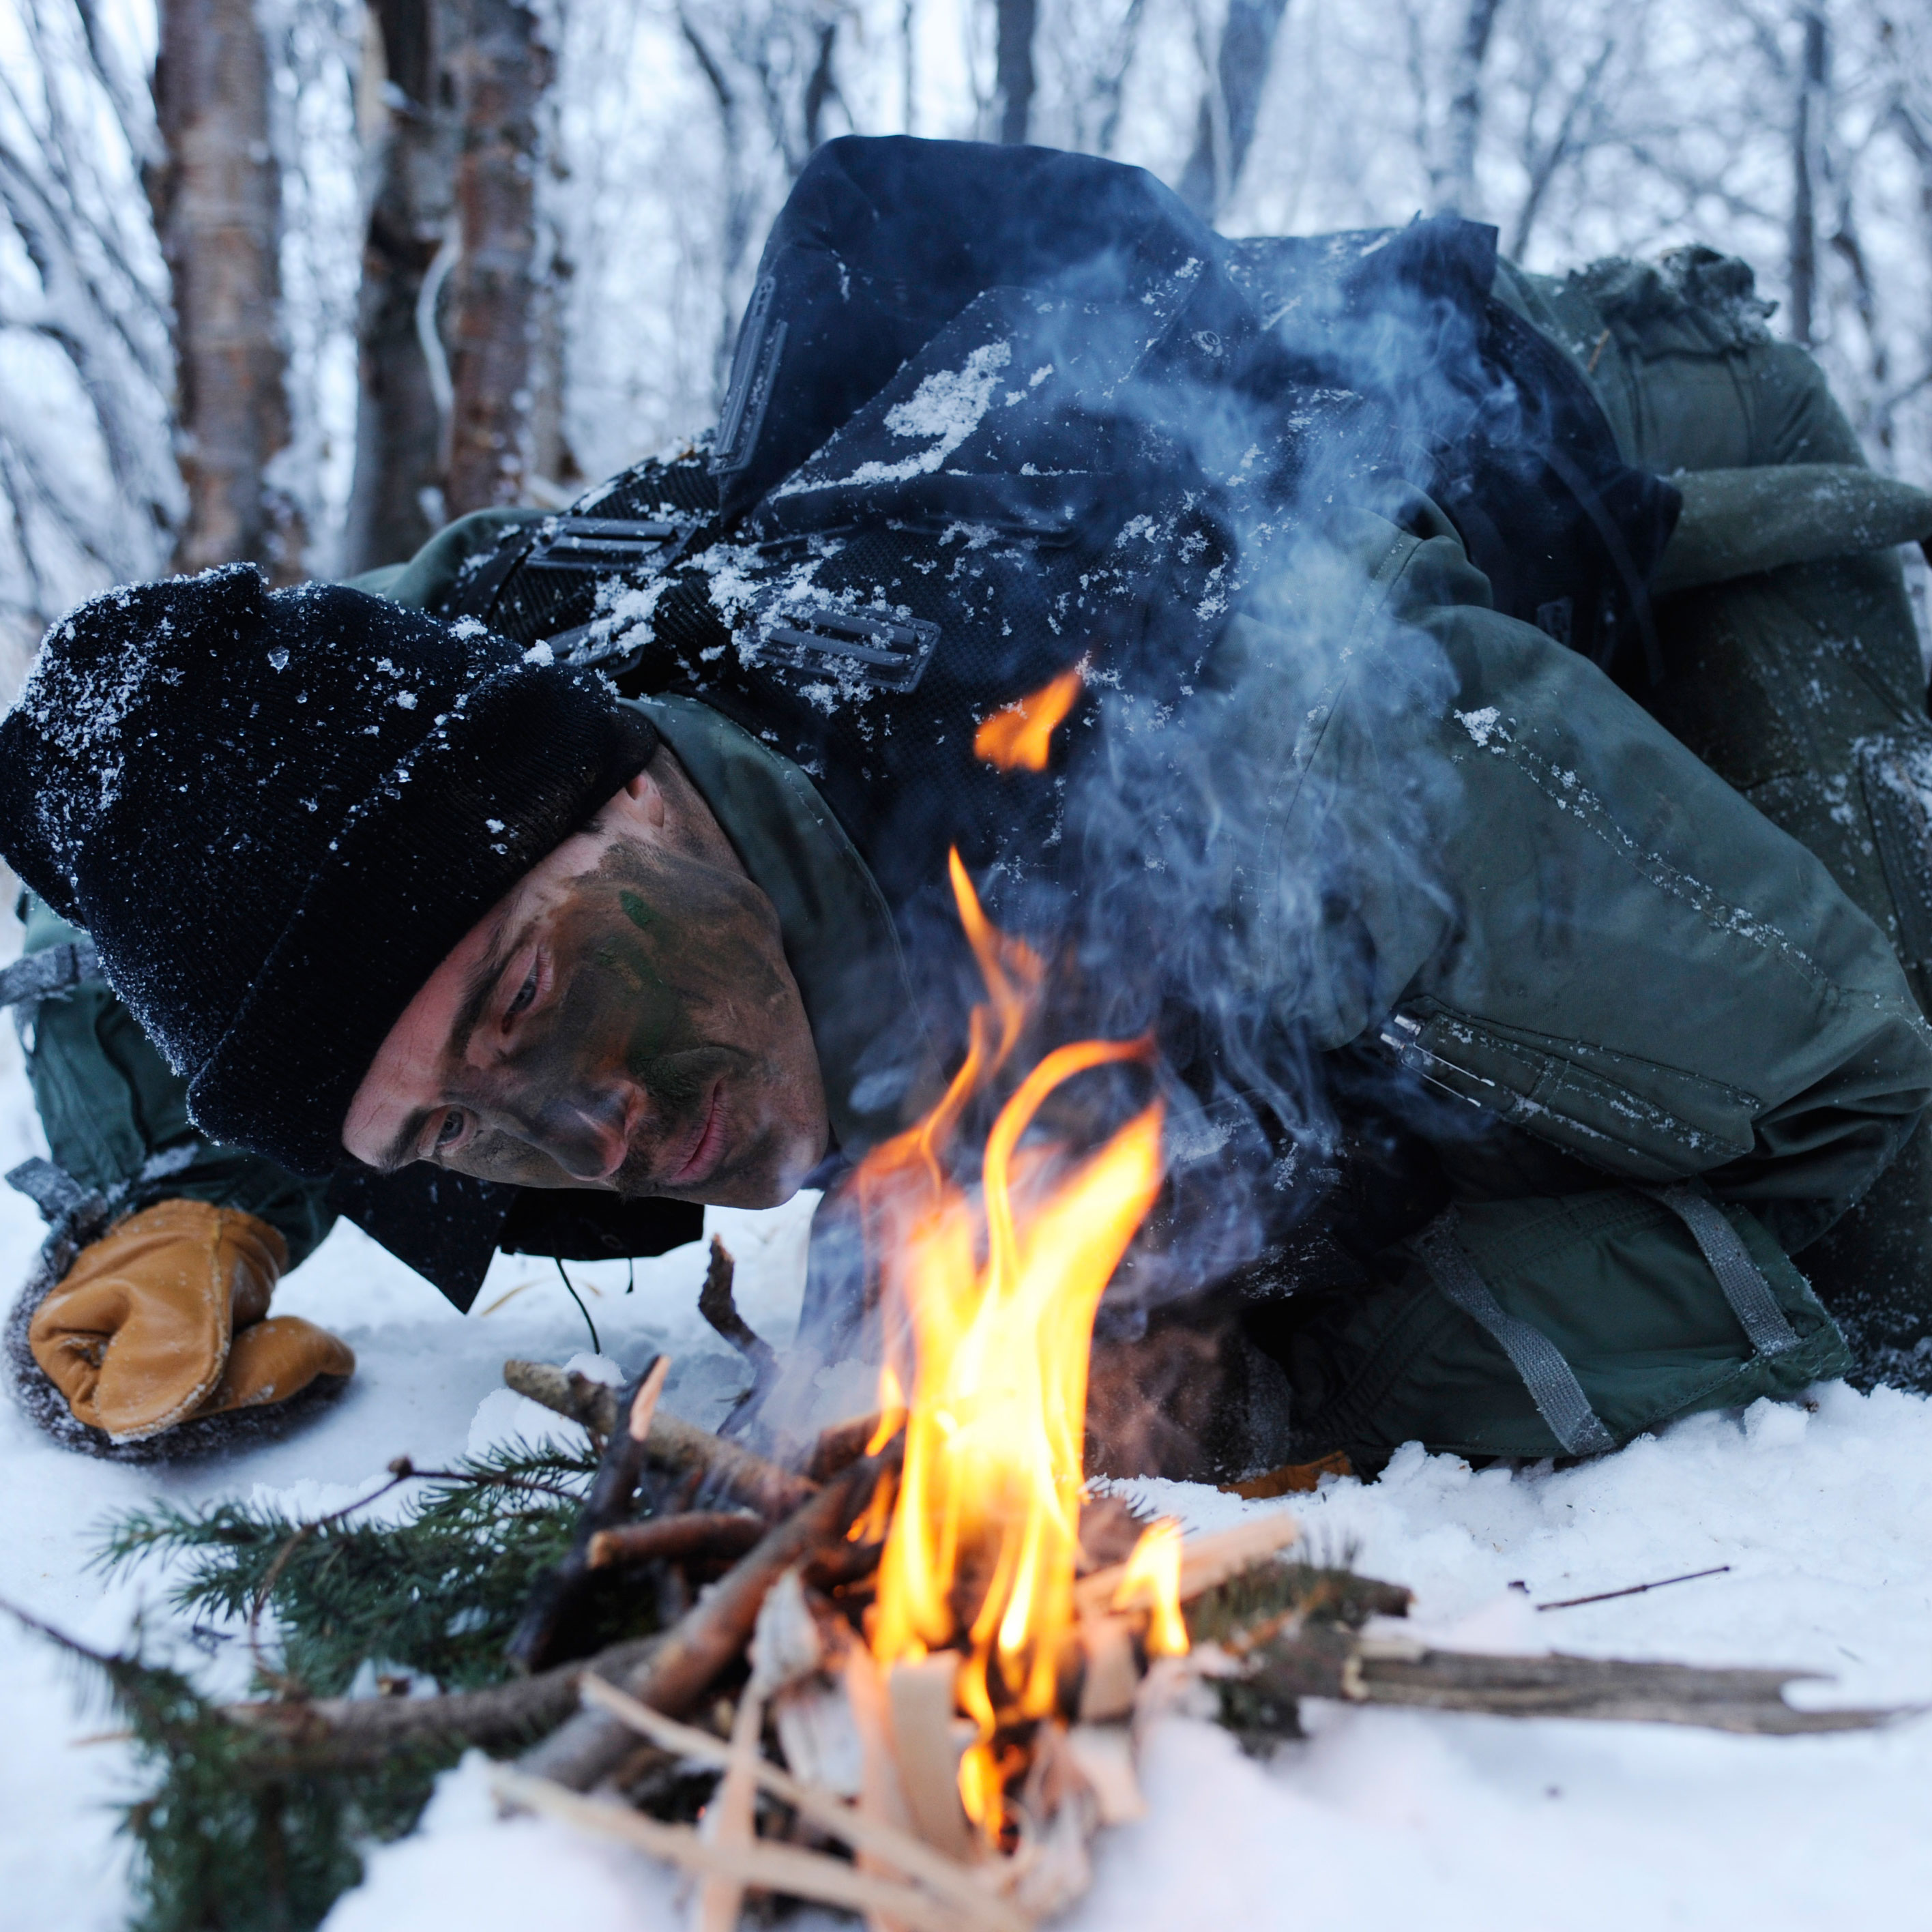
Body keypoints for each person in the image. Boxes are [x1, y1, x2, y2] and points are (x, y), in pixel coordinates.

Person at [5, 136, 1932, 1477]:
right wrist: (179, 1187)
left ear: (630, 786)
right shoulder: (545, 649)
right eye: (447, 1132)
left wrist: (1281, 1372)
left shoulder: (1264, 757)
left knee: (1885, 1235)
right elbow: (144, 809)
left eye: (526, 1006)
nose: (586, 1137)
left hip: (1636, 437)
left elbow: (1865, 1120)